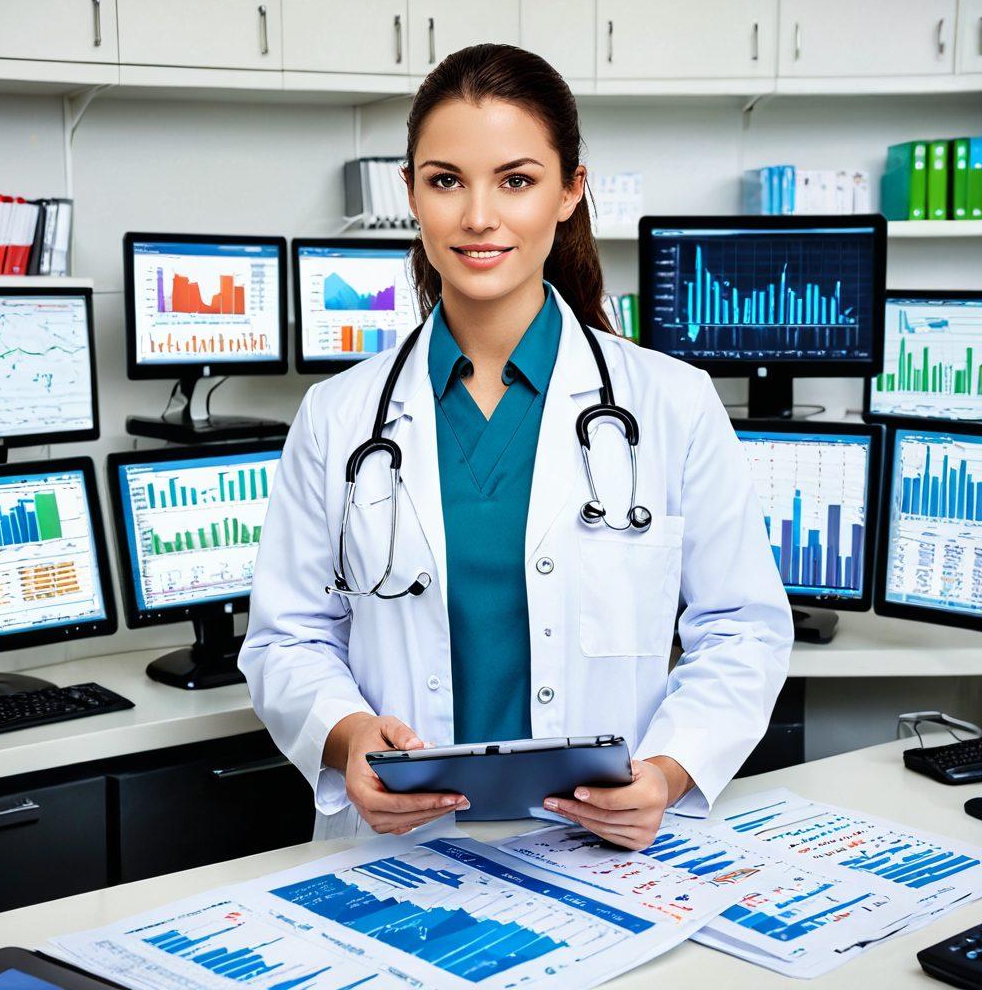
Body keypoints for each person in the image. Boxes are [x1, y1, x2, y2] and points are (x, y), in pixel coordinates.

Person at [239, 43, 793, 847]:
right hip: (402, 851)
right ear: (412, 194)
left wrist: (668, 772)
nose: (478, 217)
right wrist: (347, 733)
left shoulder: (671, 402)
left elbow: (743, 627)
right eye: (445, 180)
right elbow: (288, 639)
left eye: (517, 180)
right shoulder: (338, 417)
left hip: (602, 848)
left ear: (570, 190)